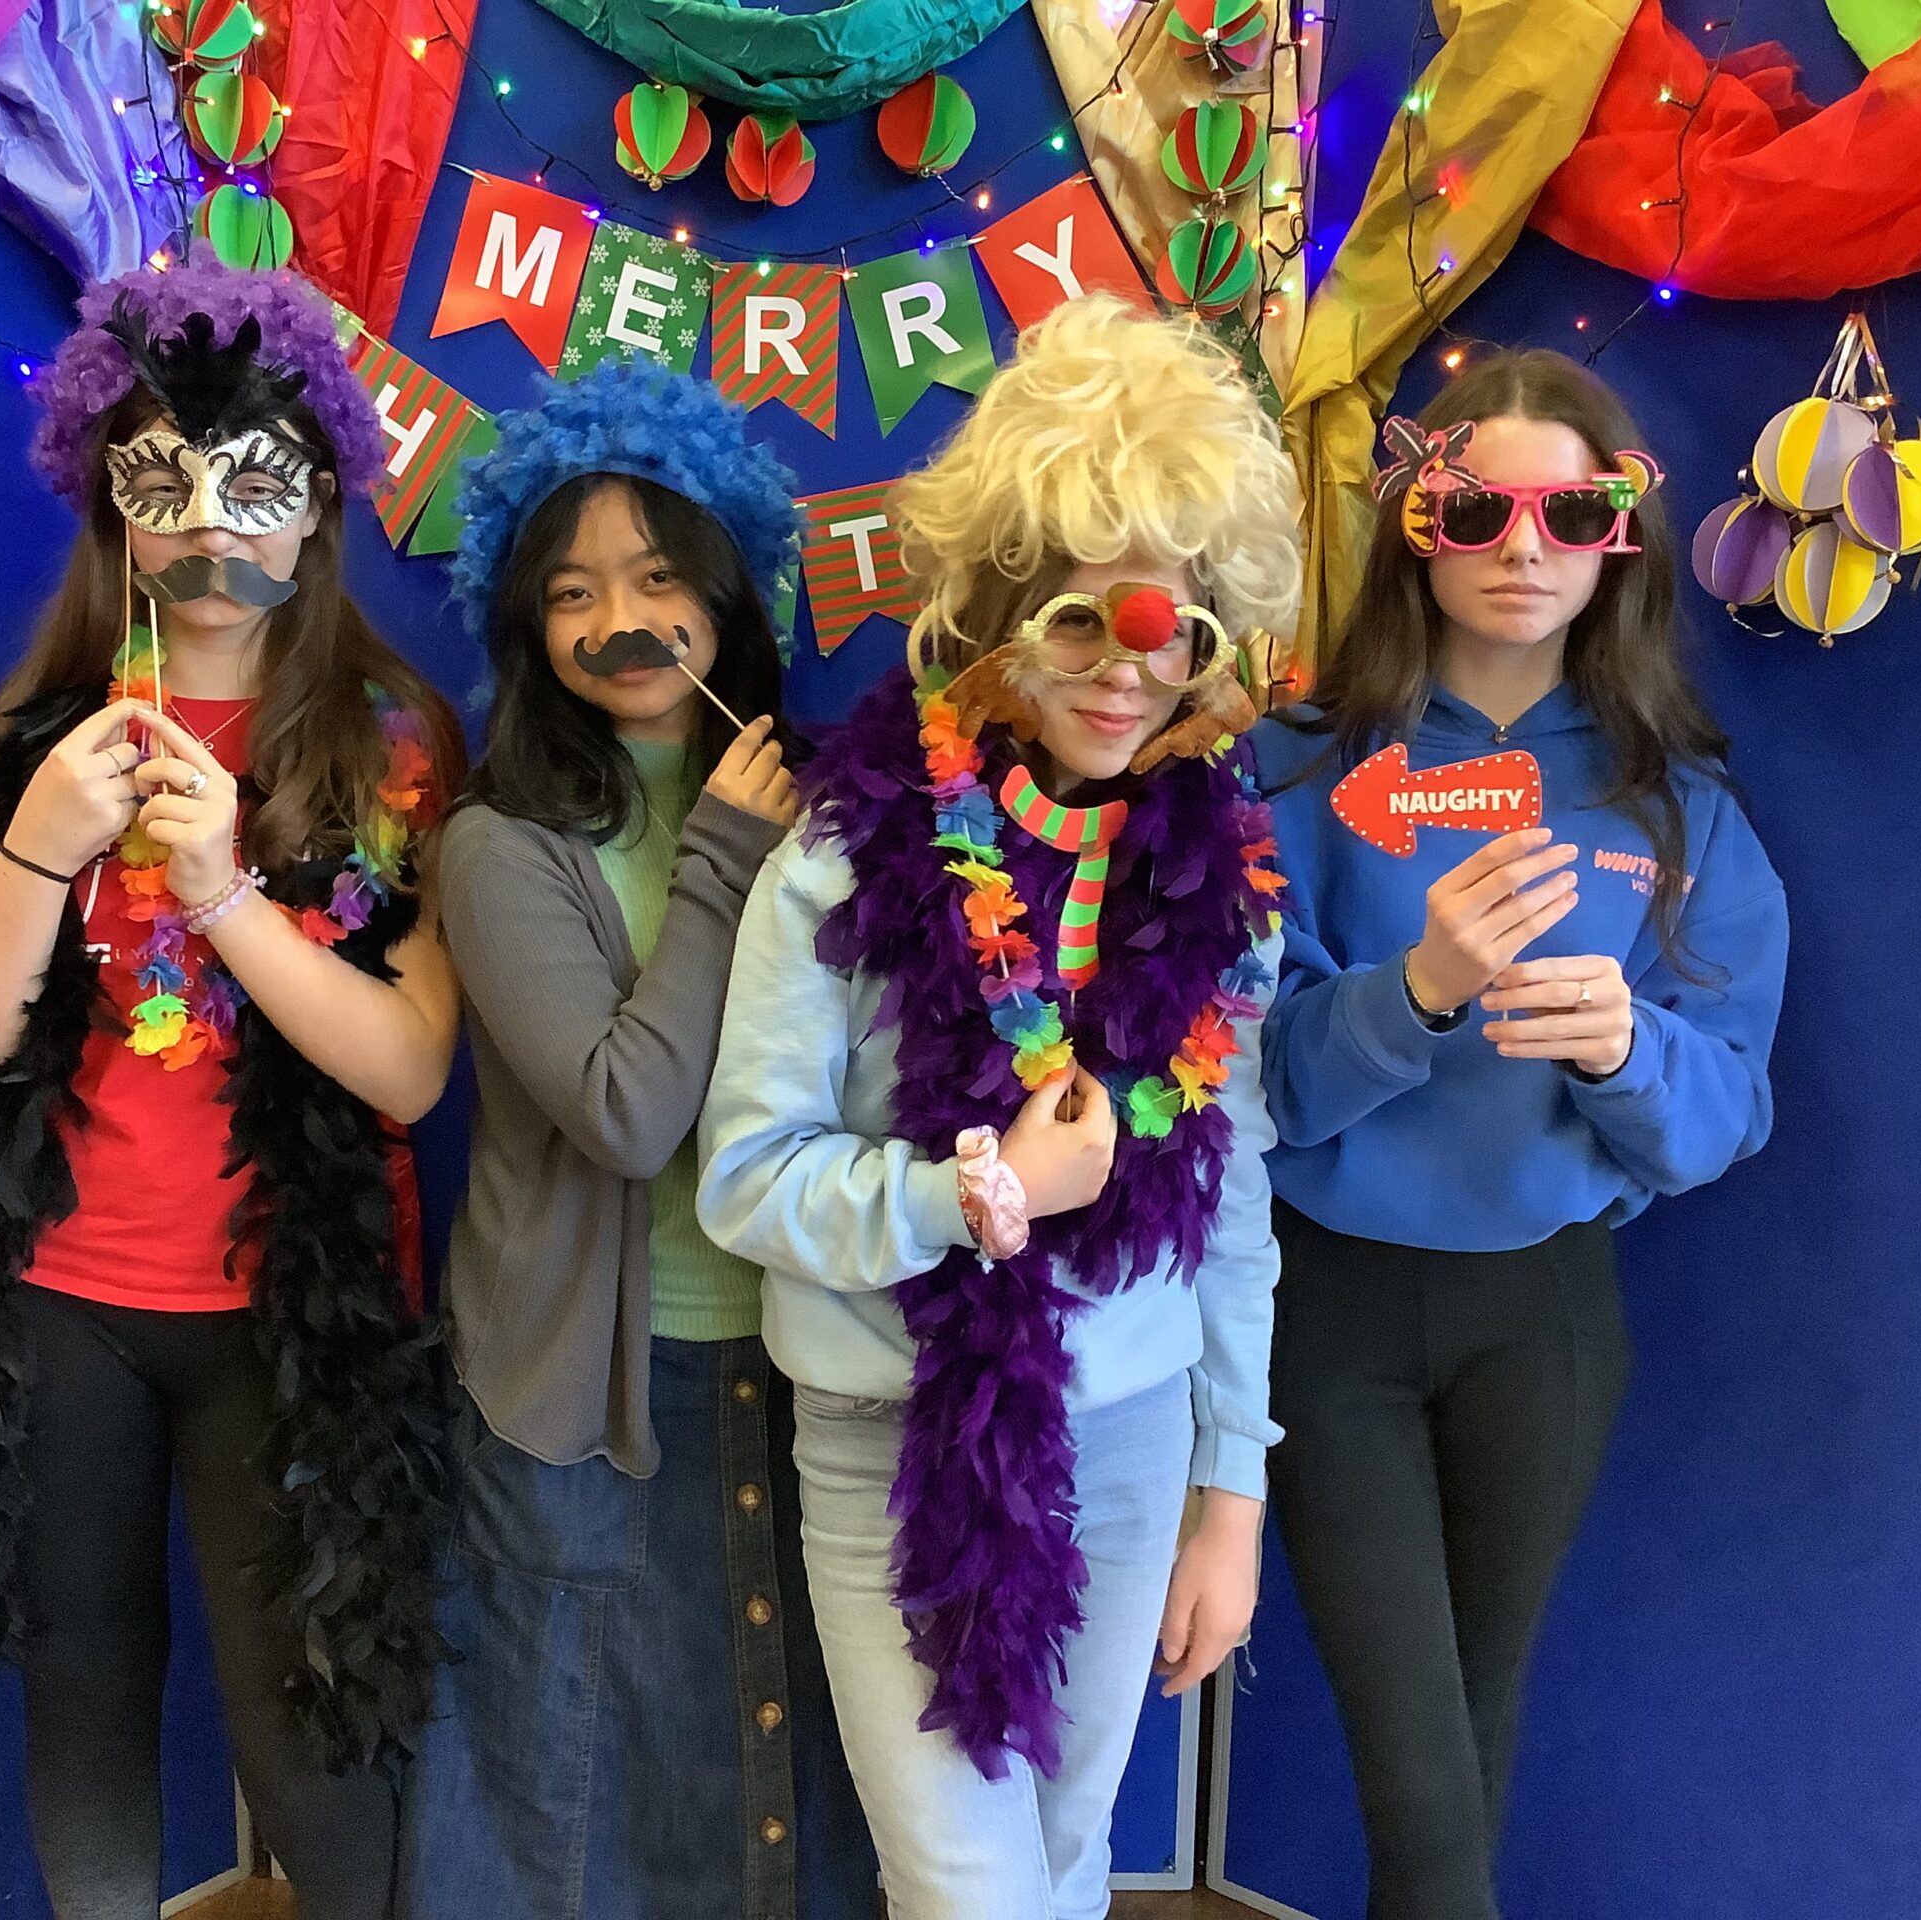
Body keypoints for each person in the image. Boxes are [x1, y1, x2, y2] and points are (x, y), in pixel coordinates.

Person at [0, 260, 466, 1920]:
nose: (205, 526)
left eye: (252, 481)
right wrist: (43, 846)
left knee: (314, 1725)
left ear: (320, 505)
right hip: (64, 1300)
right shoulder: (34, 745)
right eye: (161, 479)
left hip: (290, 1312)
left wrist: (224, 893)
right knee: (83, 1700)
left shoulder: (390, 748)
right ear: (106, 500)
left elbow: (410, 1071)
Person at [698, 294, 1300, 1920]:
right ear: (1001, 606)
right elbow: (744, 1177)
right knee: (969, 1893)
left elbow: (1232, 1208)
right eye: (1084, 619)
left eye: (1174, 630)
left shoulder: (1226, 889)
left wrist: (1230, 1497)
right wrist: (968, 1198)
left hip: (1134, 1430)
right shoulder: (840, 859)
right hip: (894, 1436)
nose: (1127, 672)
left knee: (1065, 1870)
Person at [1253, 351, 1789, 1920]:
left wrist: (1629, 1049)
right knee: (1423, 1795)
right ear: (1416, 524)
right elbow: (1242, 1090)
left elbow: (1726, 1113)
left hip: (1545, 1318)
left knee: (1469, 1752)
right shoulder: (1294, 768)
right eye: (1477, 508)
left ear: (1621, 538)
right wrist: (1414, 991)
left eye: (1572, 512)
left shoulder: (1674, 804)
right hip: (1327, 1309)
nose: (1523, 546)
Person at [398, 359, 878, 1920]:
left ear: (728, 591)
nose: (621, 619)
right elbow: (624, 1110)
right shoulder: (500, 845)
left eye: (660, 576)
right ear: (526, 624)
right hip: (594, 1378)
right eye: (572, 590)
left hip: (811, 1353)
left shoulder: (844, 807)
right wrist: (728, 856)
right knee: (570, 1788)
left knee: (789, 1764)